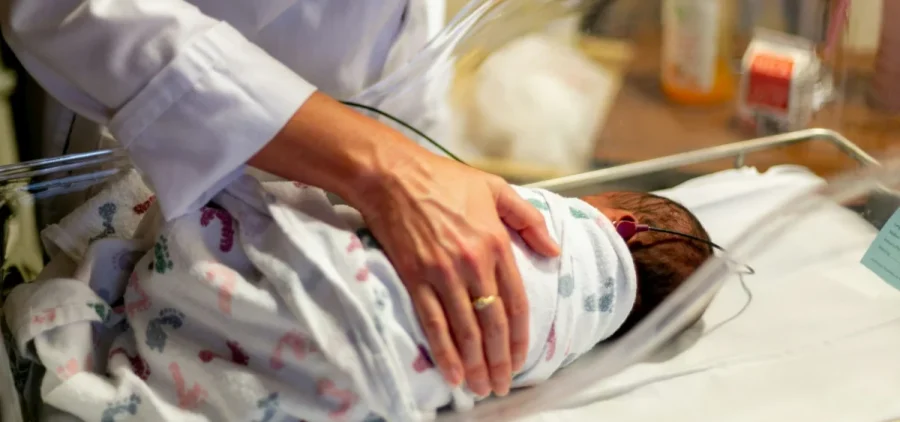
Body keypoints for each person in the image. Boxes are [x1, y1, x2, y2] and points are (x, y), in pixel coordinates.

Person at [0, 0, 562, 399]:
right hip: (167, 135)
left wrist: (414, 164)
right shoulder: (564, 254)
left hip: (390, 141)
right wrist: (384, 168)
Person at [4, 171, 713, 421]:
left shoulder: (564, 227)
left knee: (251, 211)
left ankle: (152, 299)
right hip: (370, 380)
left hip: (339, 292)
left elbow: (433, 212)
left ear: (623, 221)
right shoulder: (569, 345)